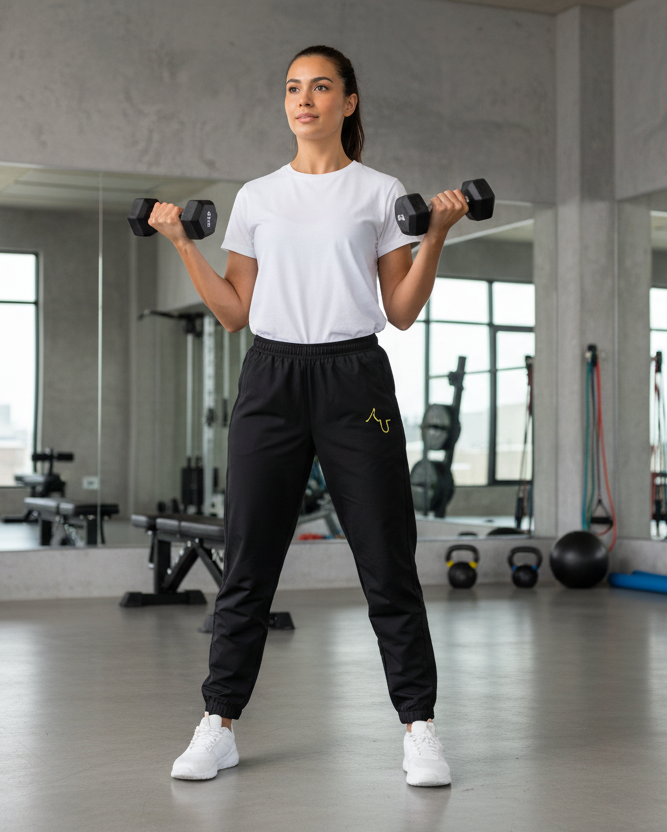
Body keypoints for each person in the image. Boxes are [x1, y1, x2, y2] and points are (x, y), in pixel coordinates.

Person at [149, 44, 469, 788]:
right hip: (271, 375)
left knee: (386, 559)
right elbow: (233, 312)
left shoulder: (379, 191)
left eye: (321, 86)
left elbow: (400, 310)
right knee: (249, 561)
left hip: (355, 376)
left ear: (348, 102)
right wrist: (183, 245)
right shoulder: (258, 197)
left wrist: (438, 236)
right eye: (294, 87)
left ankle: (419, 725)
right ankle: (218, 723)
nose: (305, 99)